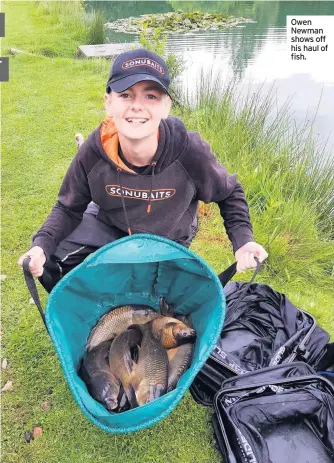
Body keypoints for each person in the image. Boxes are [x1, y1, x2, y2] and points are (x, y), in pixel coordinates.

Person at [18, 48, 268, 293]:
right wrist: (40, 247)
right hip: (111, 225)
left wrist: (243, 241)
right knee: (49, 253)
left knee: (154, 293)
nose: (137, 106)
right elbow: (67, 208)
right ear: (108, 103)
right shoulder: (94, 151)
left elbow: (229, 192)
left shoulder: (189, 151)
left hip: (168, 236)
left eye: (150, 96)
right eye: (125, 95)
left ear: (166, 106)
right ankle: (93, 308)